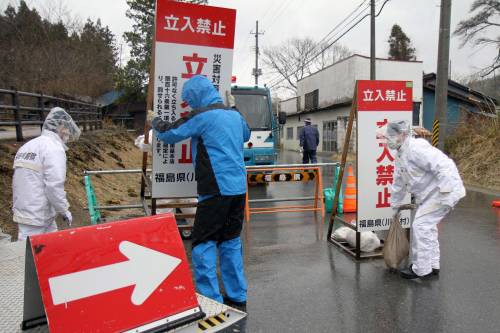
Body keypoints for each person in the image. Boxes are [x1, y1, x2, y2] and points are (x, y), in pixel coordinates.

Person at [151, 75, 250, 310]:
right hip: (238, 189)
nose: (189, 105)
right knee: (230, 241)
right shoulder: (234, 115)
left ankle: (210, 299)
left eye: (189, 100)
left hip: (215, 189)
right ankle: (237, 294)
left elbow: (170, 134)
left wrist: (154, 121)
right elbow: (246, 134)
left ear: (196, 95)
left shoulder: (202, 116)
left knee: (203, 243)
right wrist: (234, 105)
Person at [384, 121, 466, 279]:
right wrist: (395, 206)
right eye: (388, 137)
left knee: (421, 225)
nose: (389, 140)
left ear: (403, 135)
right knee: (428, 226)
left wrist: (446, 190)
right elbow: (398, 184)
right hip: (430, 195)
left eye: (392, 136)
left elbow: (444, 165)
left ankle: (421, 269)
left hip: (443, 191)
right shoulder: (400, 156)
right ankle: (433, 265)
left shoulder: (416, 148)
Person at [12, 107, 81, 241]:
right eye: (67, 130)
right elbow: (54, 186)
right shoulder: (54, 148)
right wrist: (64, 209)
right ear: (60, 127)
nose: (67, 135)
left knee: (52, 247)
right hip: (38, 214)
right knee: (31, 255)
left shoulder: (28, 146)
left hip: (26, 210)